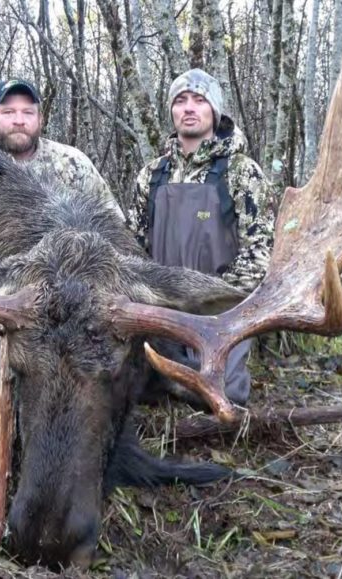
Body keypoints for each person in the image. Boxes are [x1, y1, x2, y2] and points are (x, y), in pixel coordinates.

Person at [127, 69, 275, 406]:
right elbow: (131, 246)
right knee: (150, 395)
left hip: (221, 313)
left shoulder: (241, 172)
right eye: (180, 101)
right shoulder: (151, 175)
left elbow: (260, 252)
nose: (189, 108)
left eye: (199, 100)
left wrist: (209, 295)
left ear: (214, 111)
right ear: (172, 111)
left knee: (224, 396)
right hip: (161, 309)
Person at [0, 79, 123, 217]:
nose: (19, 121)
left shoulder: (73, 163)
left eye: (28, 112)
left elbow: (114, 224)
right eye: (8, 112)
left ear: (40, 119)